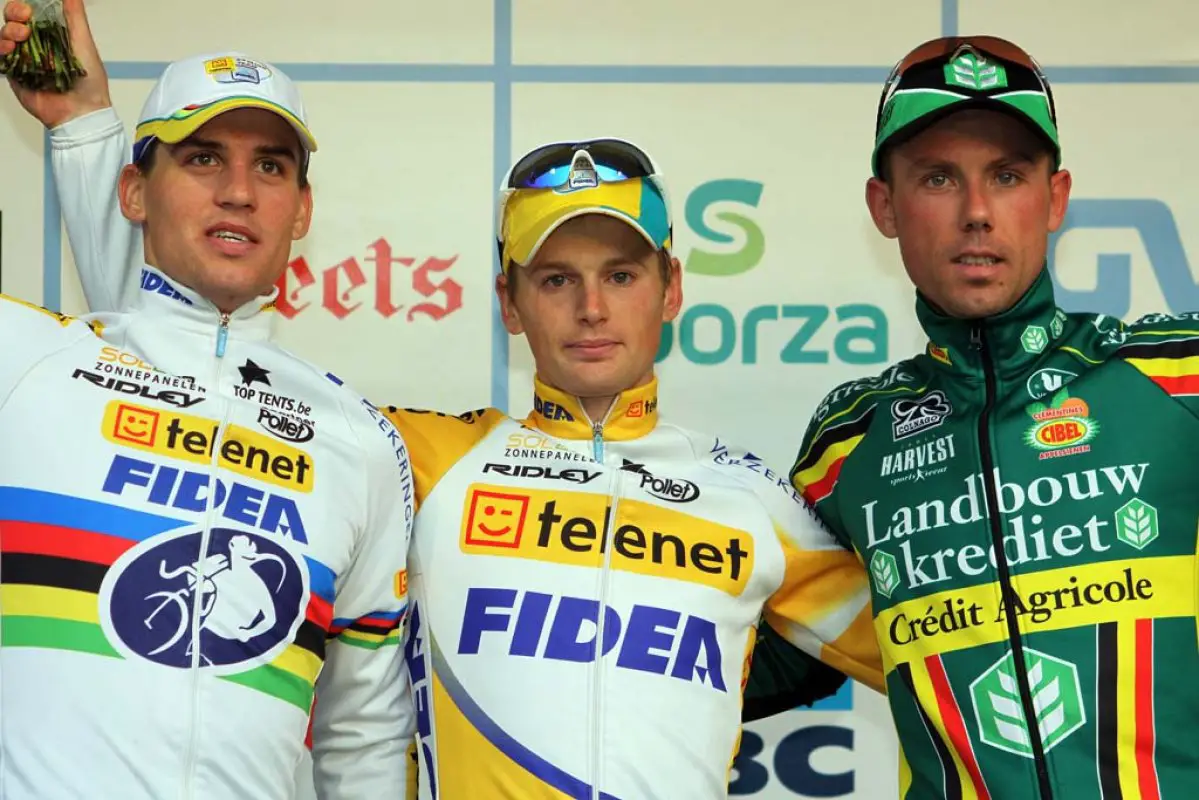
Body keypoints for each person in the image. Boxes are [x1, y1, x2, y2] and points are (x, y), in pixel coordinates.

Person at [3, 8, 886, 795]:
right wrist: (85, 136)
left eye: (620, 274)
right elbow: (184, 377)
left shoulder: (748, 495)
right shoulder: (405, 451)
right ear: (508, 302)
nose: (590, 307)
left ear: (671, 289)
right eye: (554, 278)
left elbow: (936, 648)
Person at [748, 34, 1199, 799]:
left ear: (1053, 199)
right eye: (937, 178)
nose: (977, 212)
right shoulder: (848, 440)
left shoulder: (1177, 377)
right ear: (884, 206)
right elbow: (762, 654)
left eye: (1007, 175)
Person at [0, 6, 415, 797]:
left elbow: (362, 735)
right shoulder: (27, 365)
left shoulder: (358, 441)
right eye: (201, 159)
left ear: (302, 210)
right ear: (133, 190)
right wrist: (81, 128)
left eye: (271, 167)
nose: (237, 191)